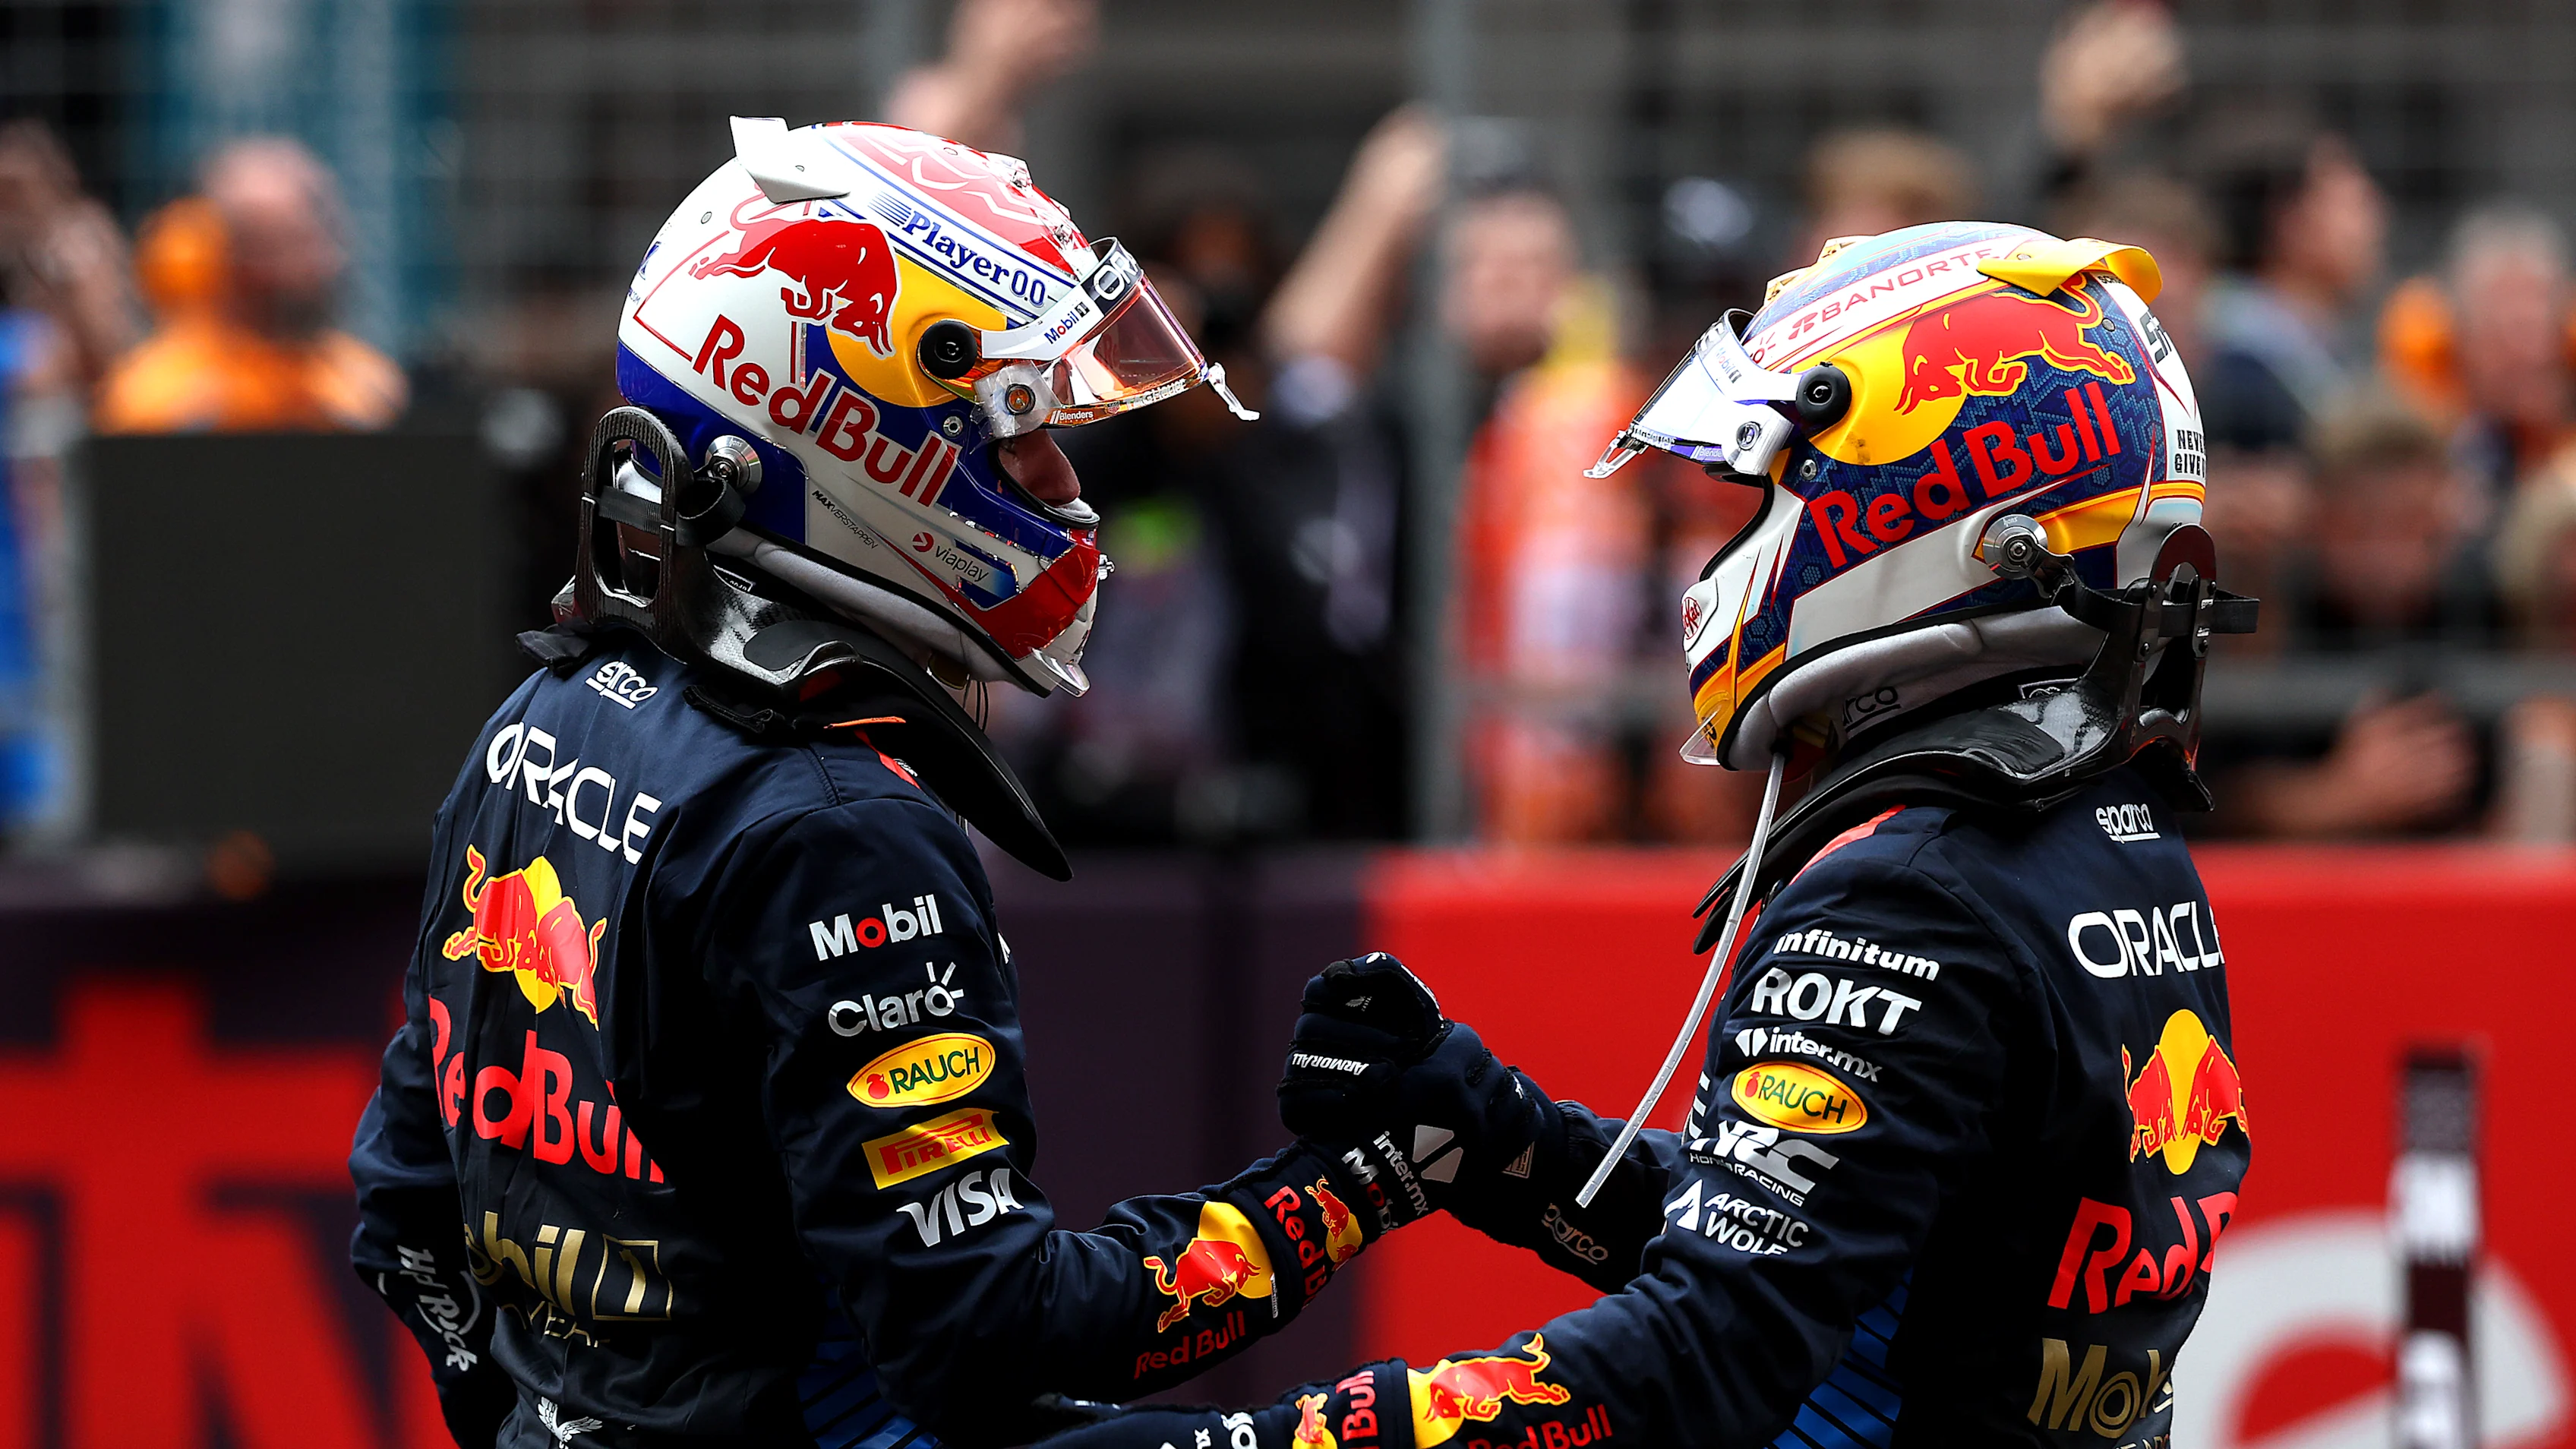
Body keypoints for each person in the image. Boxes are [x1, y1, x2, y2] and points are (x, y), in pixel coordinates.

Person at [1033, 222, 2254, 1449]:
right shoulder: (2100, 819)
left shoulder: (1911, 888)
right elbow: (1856, 1239)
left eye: (1773, 487)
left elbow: (1701, 1353)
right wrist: (1505, 1139)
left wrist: (1243, 1443)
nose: (1729, 544)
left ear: (1934, 502)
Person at [348, 121, 1419, 1447]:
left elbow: (405, 1218)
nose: (1068, 490)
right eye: (1020, 437)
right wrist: (1358, 1180)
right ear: (851, 439)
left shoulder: (537, 715)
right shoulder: (840, 830)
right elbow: (987, 1332)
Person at [2205, 391, 2484, 838]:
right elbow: (2208, 795)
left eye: (2410, 524)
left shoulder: (2481, 607)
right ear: (2316, 518)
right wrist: (2335, 797)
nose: (2384, 555)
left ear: (2447, 519)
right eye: (2359, 526)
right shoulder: (2268, 608)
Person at [95, 137, 406, 433]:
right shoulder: (158, 402)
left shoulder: (366, 390)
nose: (325, 263)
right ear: (224, 256)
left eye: (324, 236)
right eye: (289, 244)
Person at [2195, 112, 2386, 459]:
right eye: (2353, 202)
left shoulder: (2312, 357)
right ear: (2290, 221)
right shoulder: (2233, 375)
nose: (2376, 220)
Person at [2380, 204, 2576, 503]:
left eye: (2537, 326)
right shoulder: (2423, 422)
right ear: (2462, 332)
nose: (2528, 350)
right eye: (2504, 331)